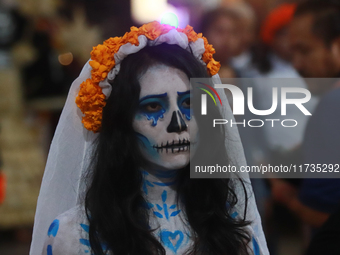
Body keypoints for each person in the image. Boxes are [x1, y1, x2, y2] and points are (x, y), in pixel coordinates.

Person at [30, 21, 269, 255]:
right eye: (153, 106)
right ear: (121, 121)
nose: (178, 124)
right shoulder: (73, 236)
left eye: (189, 103)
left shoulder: (234, 232)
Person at [272, 0, 340, 229]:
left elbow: (323, 215)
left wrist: (285, 195)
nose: (297, 64)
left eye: (305, 50)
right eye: (294, 52)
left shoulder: (333, 104)